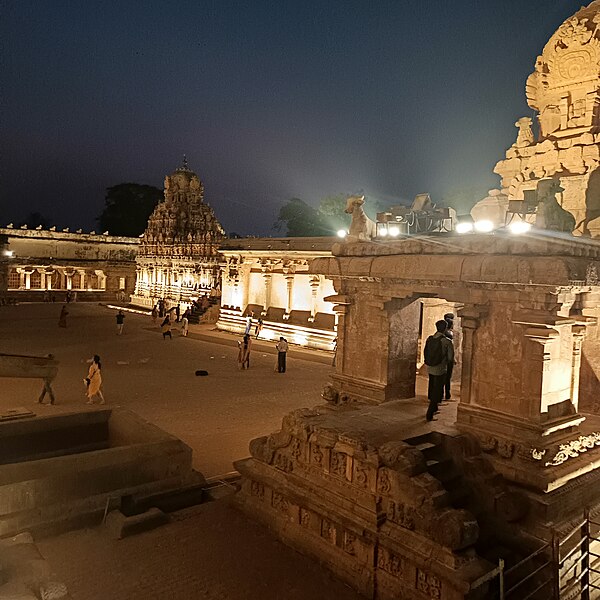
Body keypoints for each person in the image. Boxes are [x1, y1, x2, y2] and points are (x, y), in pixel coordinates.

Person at [424, 320, 454, 421]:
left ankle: (435, 408)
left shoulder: (430, 339)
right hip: (441, 368)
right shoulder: (447, 341)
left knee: (432, 386)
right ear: (445, 329)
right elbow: (450, 358)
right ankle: (430, 413)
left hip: (430, 367)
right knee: (438, 390)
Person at [443, 313, 455, 401]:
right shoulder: (449, 335)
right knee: (447, 377)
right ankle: (447, 393)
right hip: (447, 361)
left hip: (442, 360)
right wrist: (452, 359)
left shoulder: (442, 334)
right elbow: (450, 350)